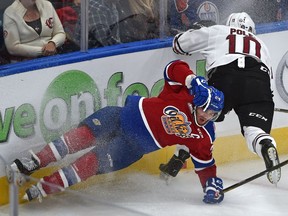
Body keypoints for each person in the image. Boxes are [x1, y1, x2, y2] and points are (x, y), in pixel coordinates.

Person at [7, 59, 225, 204]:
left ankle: (46, 187)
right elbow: (172, 68)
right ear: (197, 101)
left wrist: (210, 185)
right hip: (119, 116)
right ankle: (34, 161)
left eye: (213, 114)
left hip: (130, 148)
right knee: (79, 137)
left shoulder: (204, 134)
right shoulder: (185, 92)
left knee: (89, 163)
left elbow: (205, 163)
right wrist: (191, 79)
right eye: (205, 110)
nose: (207, 116)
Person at [164, 12, 281, 185]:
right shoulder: (261, 45)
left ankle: (181, 154)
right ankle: (265, 144)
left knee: (200, 118)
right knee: (254, 131)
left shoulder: (218, 31)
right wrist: (259, 103)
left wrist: (197, 30)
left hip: (225, 76)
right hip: (258, 82)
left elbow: (179, 45)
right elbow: (269, 86)